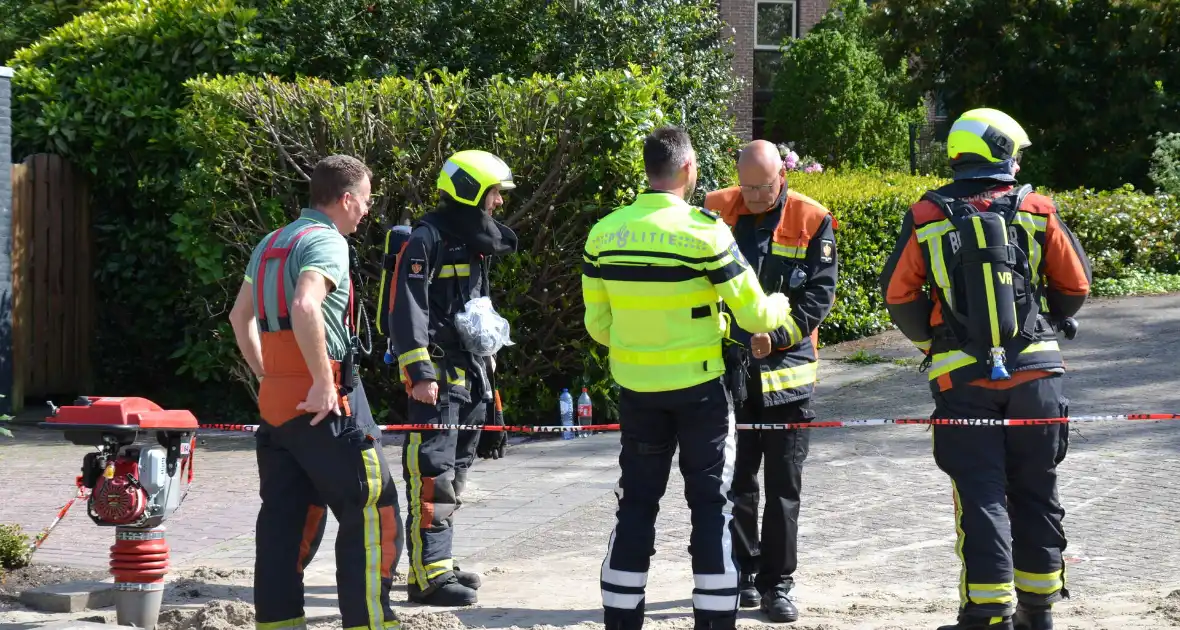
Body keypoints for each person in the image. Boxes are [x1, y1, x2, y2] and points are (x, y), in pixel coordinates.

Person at [878, 108, 1092, 630]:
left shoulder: (928, 213)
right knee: (1037, 489)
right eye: (1014, 153)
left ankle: (987, 612)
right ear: (999, 152)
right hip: (1037, 376)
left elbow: (898, 295)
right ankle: (1038, 612)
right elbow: (1076, 286)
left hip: (962, 379)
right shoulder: (1037, 208)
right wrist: (1049, 318)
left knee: (980, 493)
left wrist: (936, 342)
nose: (1017, 163)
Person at [582, 126, 794, 630]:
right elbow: (759, 316)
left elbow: (598, 326)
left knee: (635, 504)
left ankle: (620, 617)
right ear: (687, 169)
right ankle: (716, 620)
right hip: (700, 394)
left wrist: (643, 345)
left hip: (635, 392)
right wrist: (780, 303)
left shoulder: (604, 232)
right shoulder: (705, 231)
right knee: (710, 507)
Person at [228, 154, 403, 630]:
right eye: (365, 201)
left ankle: (279, 624)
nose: (366, 212)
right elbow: (307, 304)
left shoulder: (270, 242)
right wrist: (324, 384)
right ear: (346, 199)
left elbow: (238, 318)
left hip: (278, 402)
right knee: (374, 509)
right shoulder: (327, 242)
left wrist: (270, 375)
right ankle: (370, 623)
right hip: (326, 400)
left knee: (287, 518)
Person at [702, 139, 838, 624]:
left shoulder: (811, 218)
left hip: (788, 375)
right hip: (728, 370)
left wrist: (776, 336)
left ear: (782, 175)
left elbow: (820, 294)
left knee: (783, 487)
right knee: (735, 481)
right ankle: (743, 574)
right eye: (747, 186)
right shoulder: (714, 208)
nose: (755, 196)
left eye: (762, 187)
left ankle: (778, 583)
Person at [390, 149, 519, 606]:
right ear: (470, 191)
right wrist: (420, 372)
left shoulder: (473, 240)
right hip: (438, 380)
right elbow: (407, 308)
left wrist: (490, 364)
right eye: (493, 194)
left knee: (457, 472)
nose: (498, 203)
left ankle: (439, 561)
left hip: (472, 373)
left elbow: (476, 305)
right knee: (432, 474)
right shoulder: (426, 239)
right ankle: (427, 578)